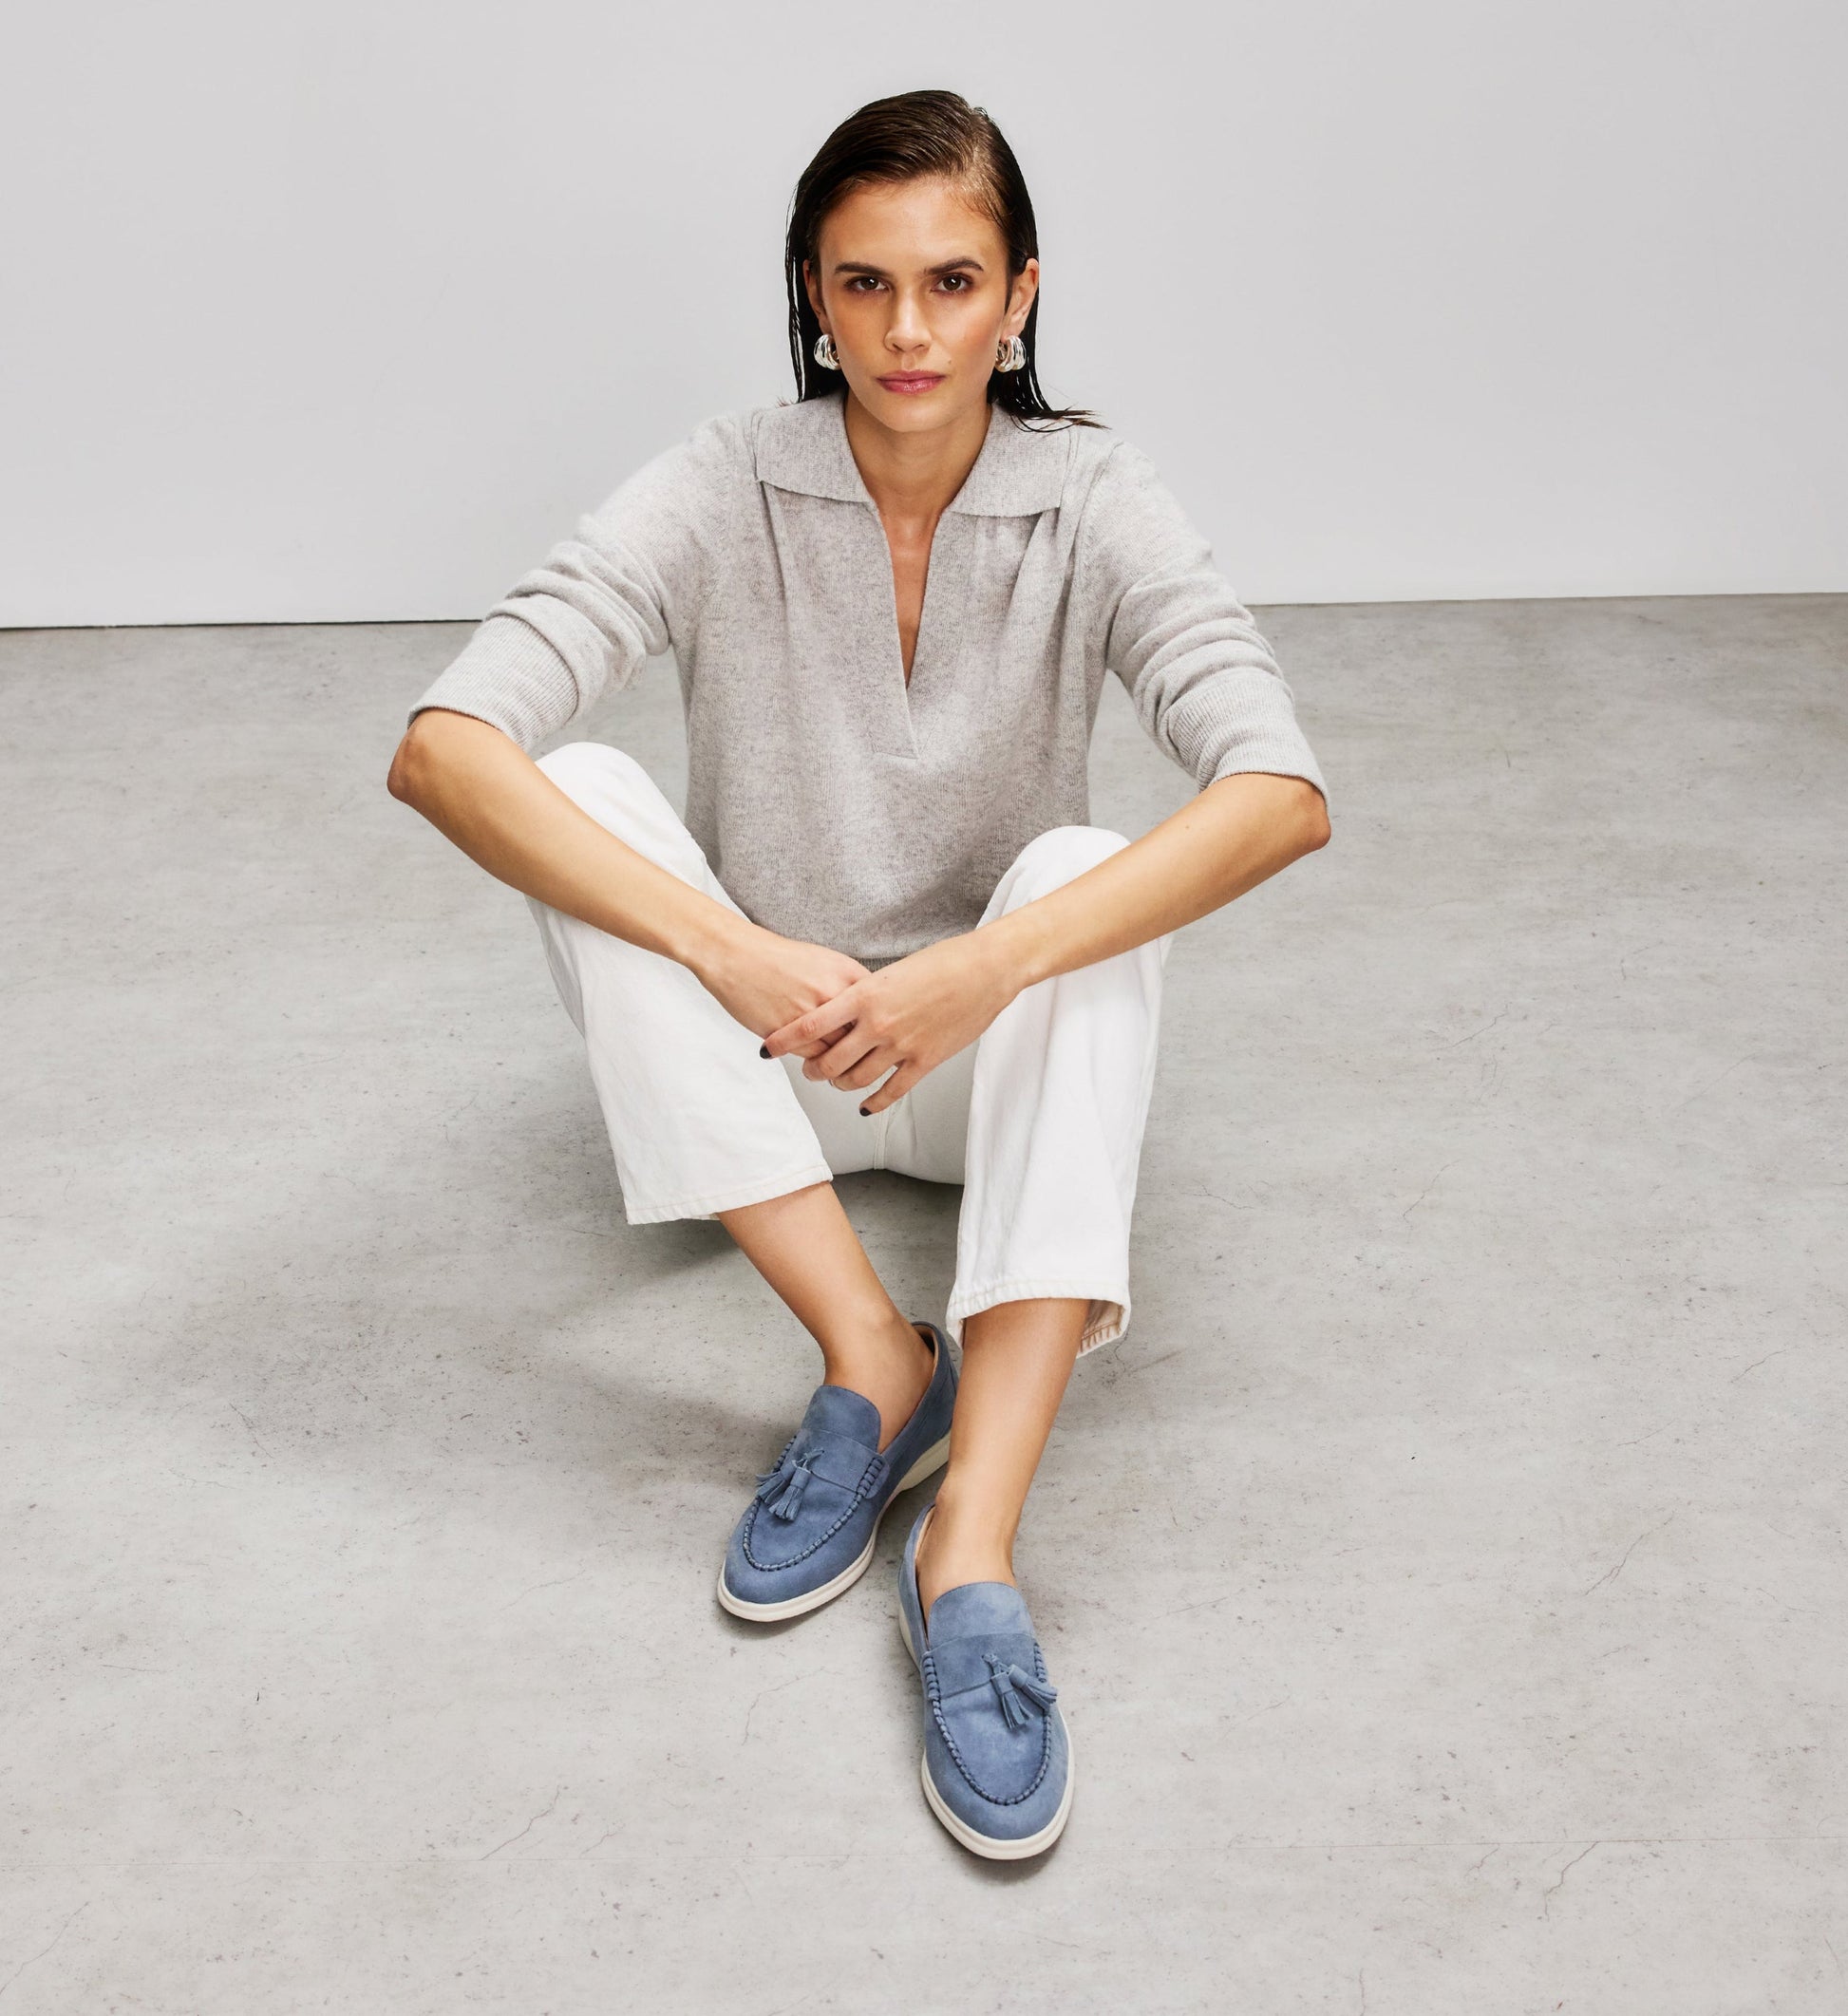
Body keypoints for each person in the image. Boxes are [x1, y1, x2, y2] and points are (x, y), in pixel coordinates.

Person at [387, 87, 1330, 1861]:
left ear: (1019, 297)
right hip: (779, 1058)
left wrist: (987, 966)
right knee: (573, 791)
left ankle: (968, 1546)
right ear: (811, 297)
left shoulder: (1092, 496)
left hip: (980, 1064)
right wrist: (729, 949)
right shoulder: (722, 479)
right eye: (864, 283)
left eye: (952, 282)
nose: (908, 331)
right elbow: (442, 748)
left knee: (1085, 880)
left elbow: (1280, 794)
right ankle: (872, 1359)